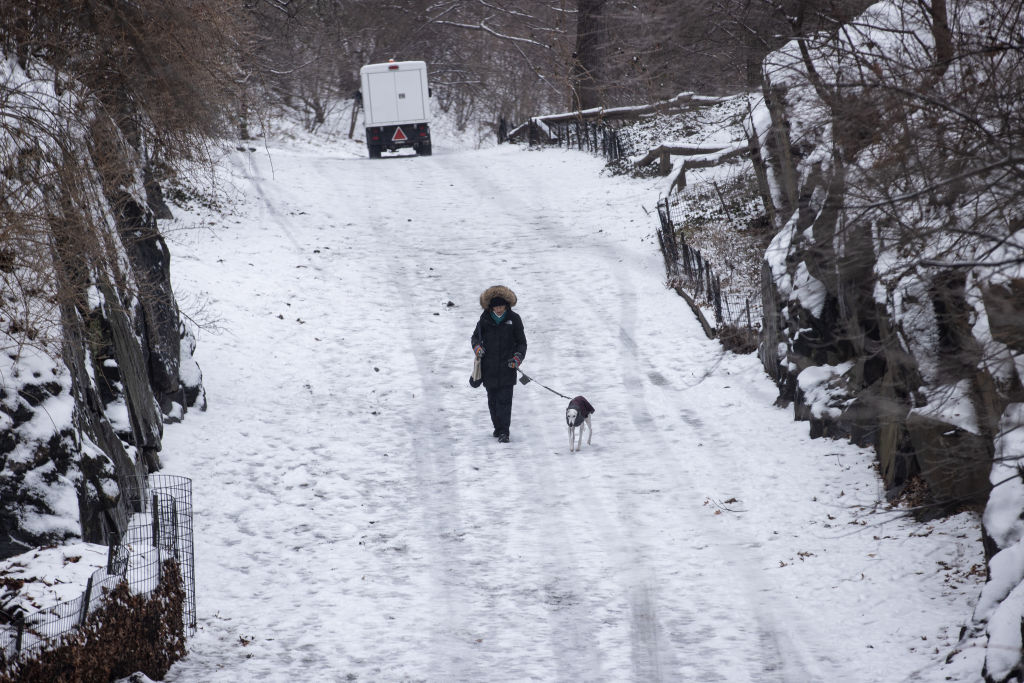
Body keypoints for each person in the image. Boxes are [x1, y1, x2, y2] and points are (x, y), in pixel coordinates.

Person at [471, 285, 527, 443]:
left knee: (505, 401)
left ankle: (504, 432)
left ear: (507, 305)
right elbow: (475, 338)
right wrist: (477, 348)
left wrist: (517, 358)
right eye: (496, 306)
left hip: (507, 368)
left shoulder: (514, 319)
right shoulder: (484, 319)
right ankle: (497, 427)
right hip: (488, 368)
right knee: (493, 401)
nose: (499, 309)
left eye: (502, 306)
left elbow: (522, 343)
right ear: (491, 307)